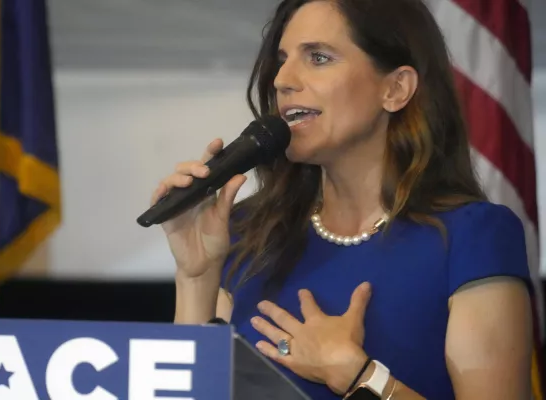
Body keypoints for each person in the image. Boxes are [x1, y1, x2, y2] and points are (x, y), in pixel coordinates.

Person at [150, 0, 536, 399]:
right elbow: (189, 394)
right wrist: (196, 278)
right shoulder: (246, 230)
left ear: (395, 88)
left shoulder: (473, 236)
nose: (282, 79)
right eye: (282, 60)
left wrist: (358, 376)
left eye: (318, 57)